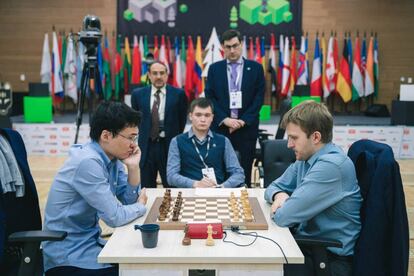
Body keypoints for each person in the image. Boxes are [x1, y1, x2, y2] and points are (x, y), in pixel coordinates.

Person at [43, 101, 148, 276]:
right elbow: (115, 217)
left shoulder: (112, 158)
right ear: (106, 135)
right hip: (69, 256)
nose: (134, 145)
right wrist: (141, 206)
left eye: (135, 138)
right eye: (130, 137)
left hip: (92, 244)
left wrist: (133, 167)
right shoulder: (88, 162)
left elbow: (129, 200)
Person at [264, 101, 362, 276]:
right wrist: (280, 196)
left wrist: (283, 204)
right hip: (309, 245)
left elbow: (283, 217)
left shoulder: (331, 167)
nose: (289, 145)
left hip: (328, 259)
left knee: (257, 267)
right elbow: (272, 187)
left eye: (294, 138)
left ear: (315, 137)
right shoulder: (306, 158)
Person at [204, 29, 265, 187]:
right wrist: (225, 120)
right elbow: (210, 97)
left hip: (246, 129)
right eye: (228, 47)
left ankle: (246, 206)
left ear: (242, 44)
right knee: (221, 171)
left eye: (235, 46)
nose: (232, 50)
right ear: (223, 48)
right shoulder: (214, 69)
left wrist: (242, 121)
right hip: (221, 128)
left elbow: (259, 99)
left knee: (244, 172)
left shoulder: (256, 68)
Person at [131, 61, 187, 188]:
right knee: (147, 187)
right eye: (155, 73)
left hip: (169, 147)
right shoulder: (138, 95)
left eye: (162, 73)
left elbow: (181, 121)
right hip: (147, 147)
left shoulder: (178, 94)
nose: (158, 76)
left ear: (167, 75)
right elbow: (136, 121)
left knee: (171, 187)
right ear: (149, 75)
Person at [167, 98, 244, 188]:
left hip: (218, 192)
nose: (203, 119)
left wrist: (223, 186)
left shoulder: (223, 141)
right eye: (198, 115)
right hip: (189, 192)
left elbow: (239, 174)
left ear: (212, 117)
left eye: (207, 115)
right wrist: (195, 184)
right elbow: (171, 176)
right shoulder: (176, 141)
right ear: (190, 116)